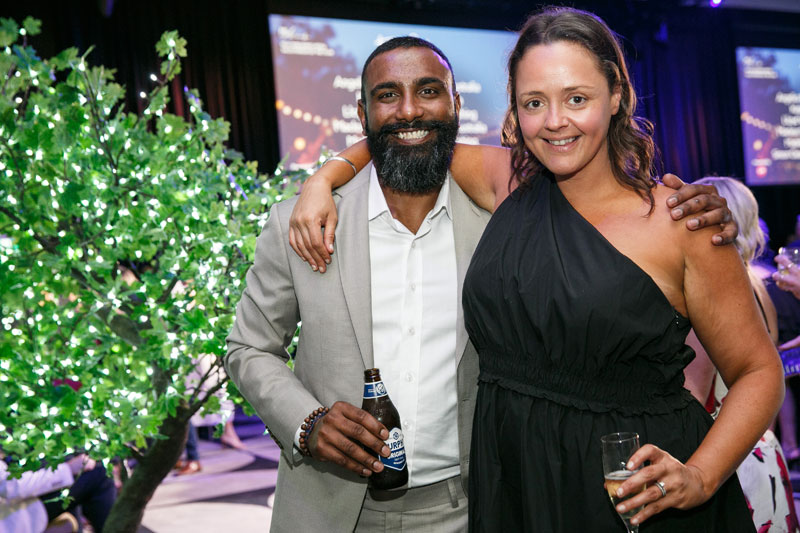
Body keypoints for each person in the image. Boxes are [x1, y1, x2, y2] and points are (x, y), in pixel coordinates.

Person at [287, 9, 782, 532]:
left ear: (616, 95)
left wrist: (701, 475)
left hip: (630, 491)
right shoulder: (509, 181)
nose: (554, 121)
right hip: (515, 480)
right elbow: (407, 132)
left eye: (577, 98)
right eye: (534, 102)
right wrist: (322, 179)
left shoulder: (681, 222)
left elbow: (758, 371)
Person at [683, 177, 798, 532]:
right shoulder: (758, 287)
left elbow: (693, 402)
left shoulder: (715, 294)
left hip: (724, 462)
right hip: (760, 452)